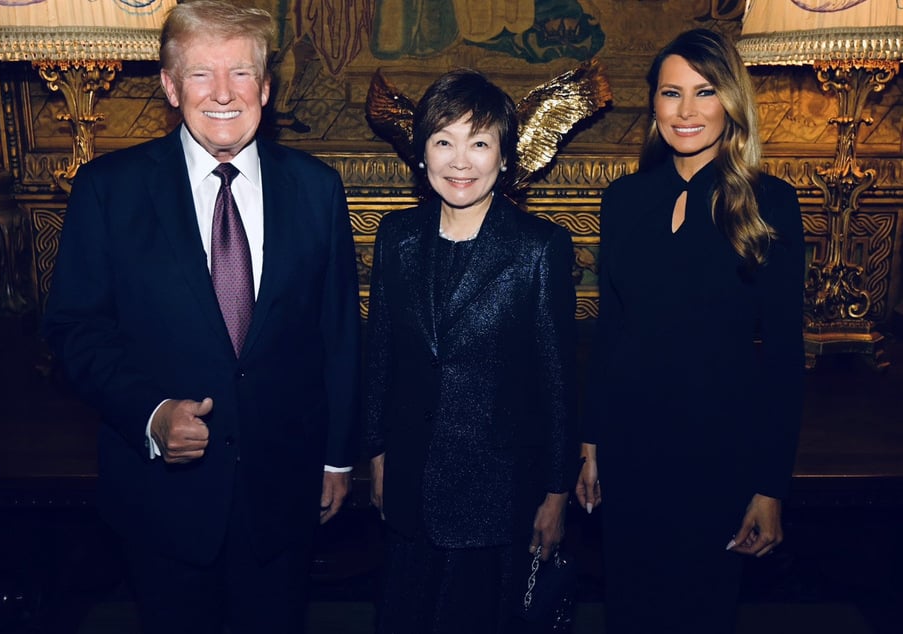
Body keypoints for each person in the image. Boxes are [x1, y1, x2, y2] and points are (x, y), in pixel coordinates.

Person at [41, 1, 360, 632]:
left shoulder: (317, 188)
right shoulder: (109, 189)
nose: (222, 94)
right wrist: (151, 414)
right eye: (200, 75)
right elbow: (75, 331)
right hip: (163, 501)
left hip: (284, 494)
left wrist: (337, 459)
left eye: (241, 74)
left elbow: (339, 335)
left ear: (265, 88)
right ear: (168, 85)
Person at [575, 28, 806, 634]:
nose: (686, 111)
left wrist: (769, 487)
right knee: (628, 607)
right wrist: (591, 444)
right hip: (630, 447)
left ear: (731, 101)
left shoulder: (770, 203)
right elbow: (610, 333)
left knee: (700, 613)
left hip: (718, 452)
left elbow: (783, 358)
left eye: (704, 92)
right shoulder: (624, 198)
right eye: (671, 93)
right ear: (652, 102)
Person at [365, 68, 580, 634]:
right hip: (411, 485)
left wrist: (557, 493)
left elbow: (559, 380)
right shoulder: (396, 237)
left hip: (497, 494)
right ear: (421, 155)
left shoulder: (540, 248)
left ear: (505, 157)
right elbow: (380, 354)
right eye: (444, 141)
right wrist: (377, 453)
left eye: (479, 142)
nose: (461, 161)